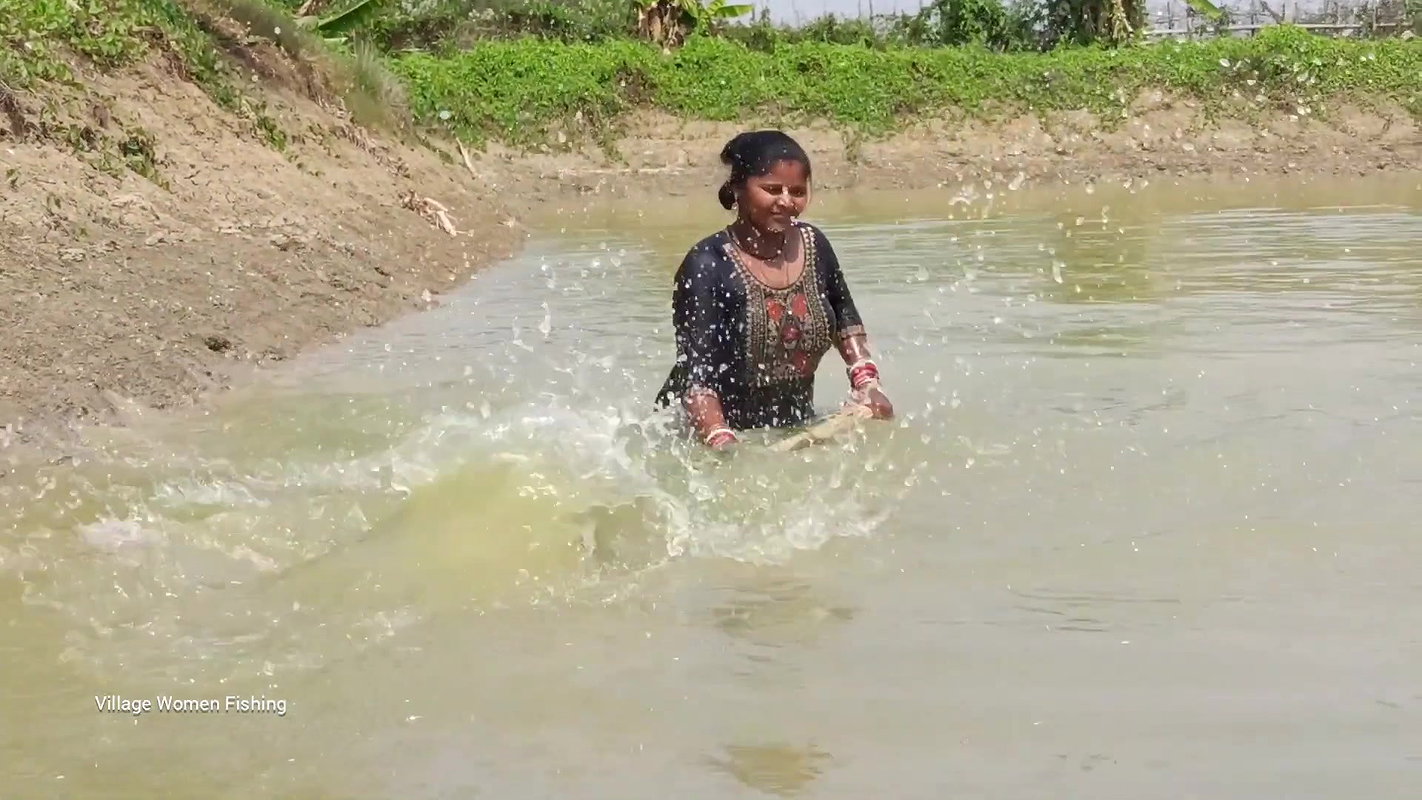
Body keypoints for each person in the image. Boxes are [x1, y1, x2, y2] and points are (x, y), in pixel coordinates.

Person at [653, 130, 894, 451]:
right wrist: (721, 441)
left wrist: (868, 385)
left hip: (791, 426)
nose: (786, 201)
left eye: (797, 191)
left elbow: (845, 319)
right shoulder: (707, 264)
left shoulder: (815, 246)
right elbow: (698, 375)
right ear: (738, 188)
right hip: (698, 437)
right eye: (771, 189)